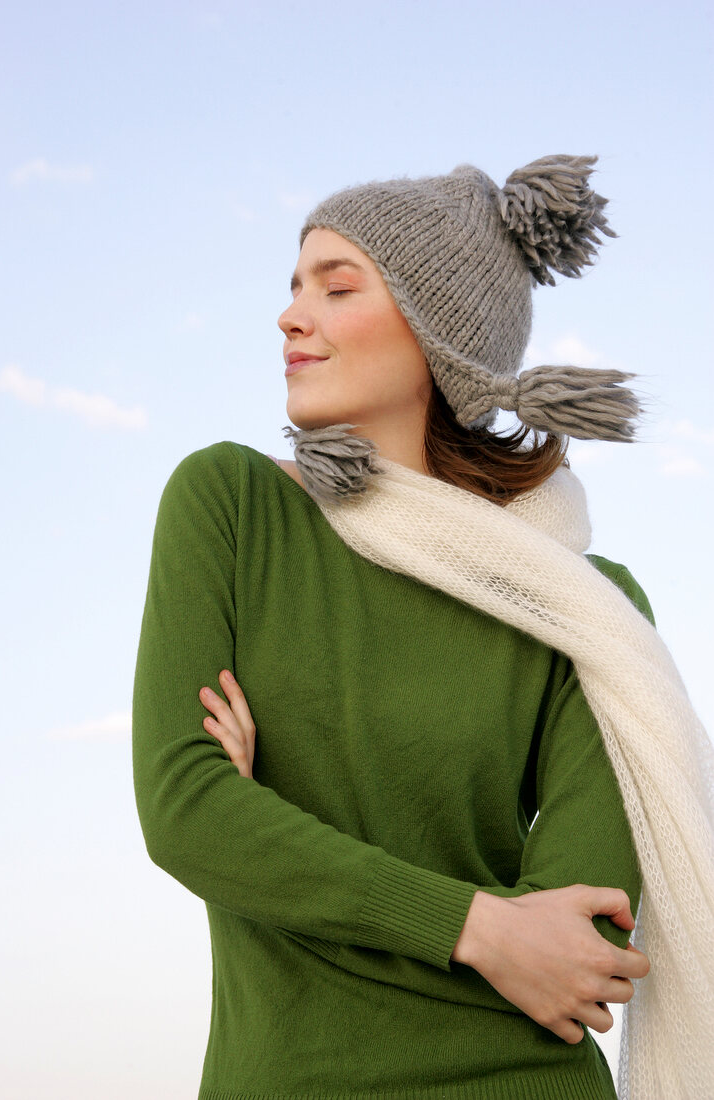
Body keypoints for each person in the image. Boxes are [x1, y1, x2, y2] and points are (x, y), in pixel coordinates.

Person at [132, 156, 713, 1100]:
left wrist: (273, 839)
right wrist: (480, 929)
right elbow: (185, 813)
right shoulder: (230, 507)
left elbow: (581, 948)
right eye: (292, 287)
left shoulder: (584, 607)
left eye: (337, 286)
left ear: (436, 335)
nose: (289, 316)